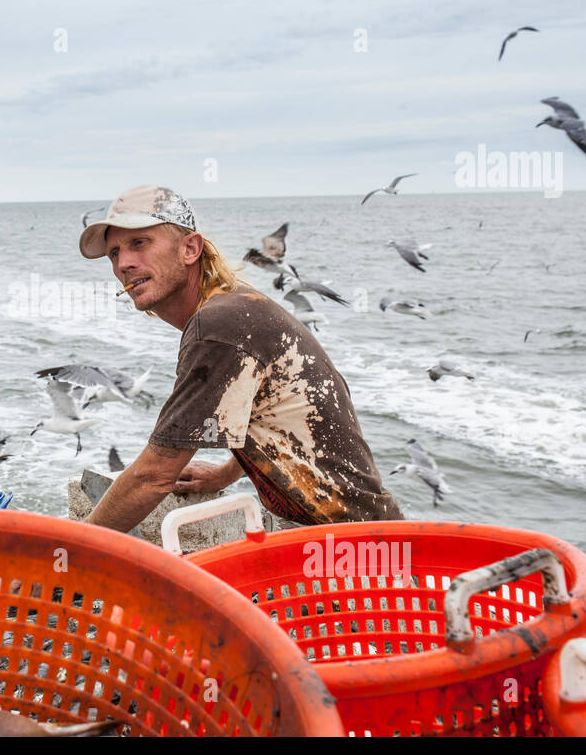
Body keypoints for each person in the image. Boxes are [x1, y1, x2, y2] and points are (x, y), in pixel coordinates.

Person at [77, 185, 402, 531]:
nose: (124, 263)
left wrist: (69, 549)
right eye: (114, 253)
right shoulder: (236, 305)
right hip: (358, 534)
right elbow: (264, 408)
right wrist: (223, 475)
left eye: (140, 243)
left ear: (190, 248)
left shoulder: (219, 326)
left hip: (357, 548)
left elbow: (154, 476)